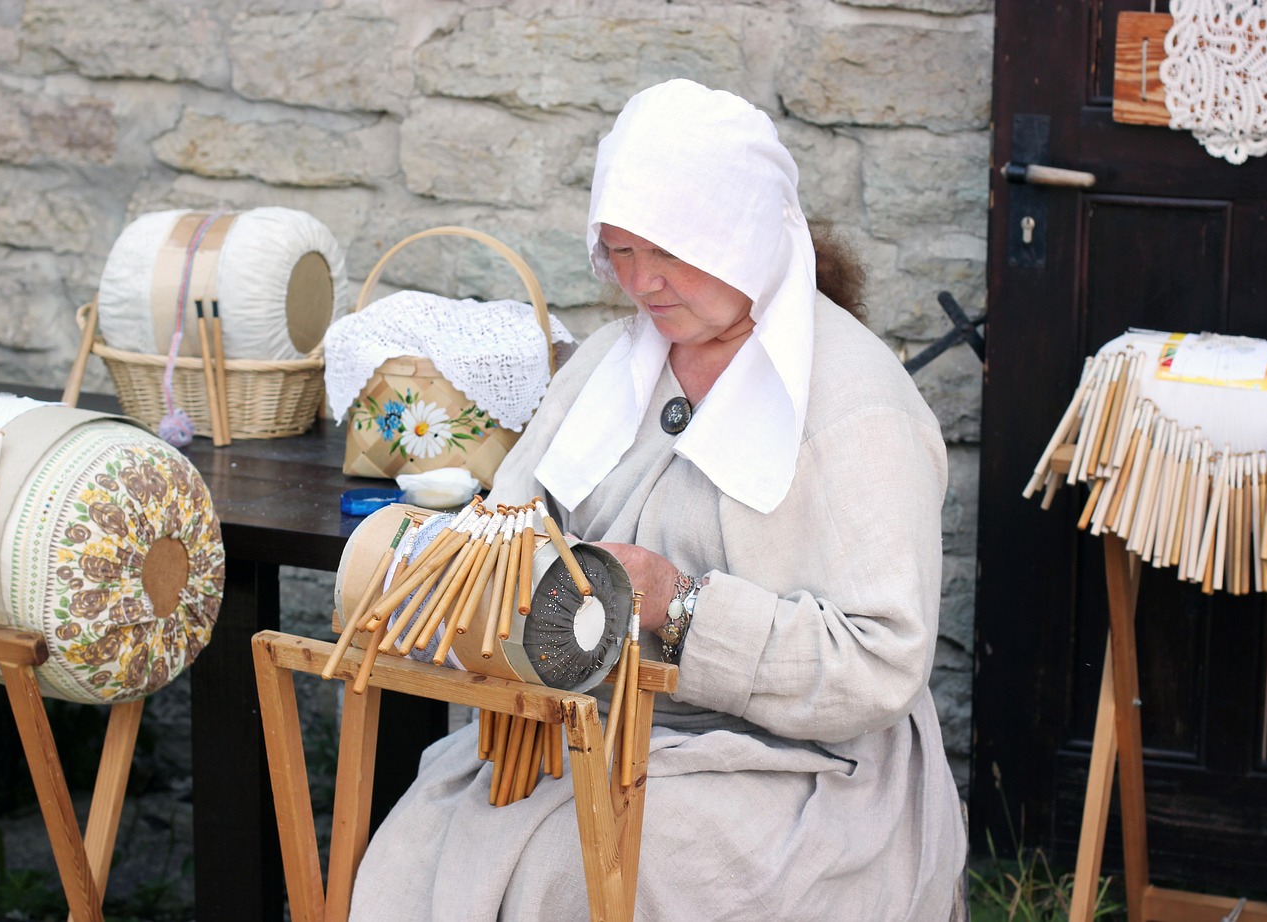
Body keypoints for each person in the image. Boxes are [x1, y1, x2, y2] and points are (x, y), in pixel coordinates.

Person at [349, 78, 965, 921]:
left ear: (745, 237)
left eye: (671, 251)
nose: (644, 283)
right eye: (624, 252)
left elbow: (879, 665)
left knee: (572, 868)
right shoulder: (613, 363)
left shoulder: (857, 408)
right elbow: (513, 526)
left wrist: (674, 603)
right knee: (424, 833)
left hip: (795, 772)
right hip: (582, 731)